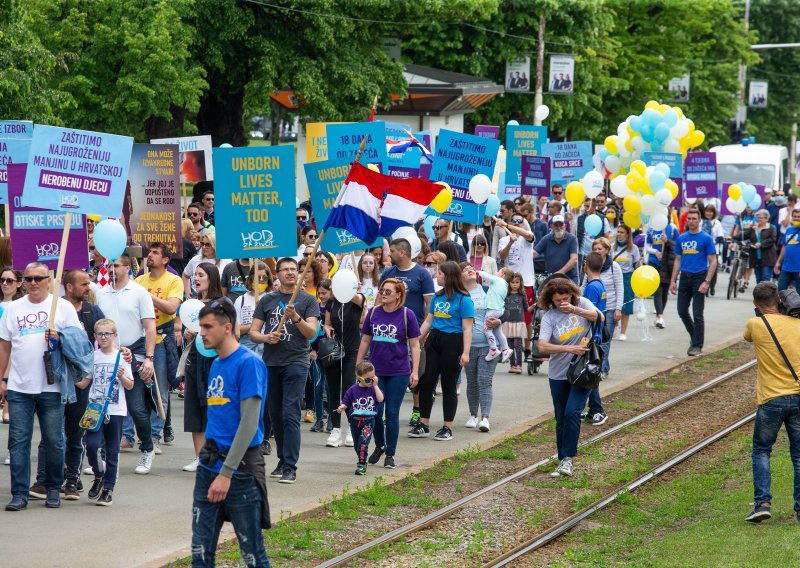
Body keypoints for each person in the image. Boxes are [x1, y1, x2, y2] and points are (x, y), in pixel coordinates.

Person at [190, 299, 270, 567]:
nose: (202, 332)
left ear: (227, 327)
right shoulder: (216, 364)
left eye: (207, 326)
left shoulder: (249, 363)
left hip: (240, 470)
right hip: (209, 465)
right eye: (200, 326)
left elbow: (249, 423)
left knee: (251, 551)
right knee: (200, 550)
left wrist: (226, 473)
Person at [1, 263, 83, 511]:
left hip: (52, 385)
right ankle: (19, 493)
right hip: (19, 386)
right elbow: (5, 346)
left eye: (38, 278)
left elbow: (80, 342)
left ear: (50, 280)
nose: (33, 282)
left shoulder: (63, 306)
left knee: (54, 441)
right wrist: (2, 380)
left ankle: (53, 487)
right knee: (18, 441)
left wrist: (60, 337)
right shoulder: (14, 308)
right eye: (28, 278)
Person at [35, 270, 105, 496]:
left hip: (80, 381)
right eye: (84, 283)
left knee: (76, 432)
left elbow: (103, 342)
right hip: (54, 380)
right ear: (69, 286)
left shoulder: (92, 312)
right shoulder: (52, 308)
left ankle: (72, 481)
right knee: (50, 433)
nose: (89, 287)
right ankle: (44, 480)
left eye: (89, 283)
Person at [250, 257, 320, 484]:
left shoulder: (308, 300)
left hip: (297, 362)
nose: (290, 273)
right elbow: (253, 332)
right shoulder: (267, 300)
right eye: (285, 269)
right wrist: (266, 338)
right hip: (271, 363)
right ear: (277, 274)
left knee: (290, 413)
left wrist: (296, 318)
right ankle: (281, 460)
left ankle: (291, 465)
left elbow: (311, 333)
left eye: (294, 269)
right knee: (276, 415)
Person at [743, 281, 800, 523]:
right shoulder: (797, 325)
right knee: (798, 455)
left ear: (756, 304)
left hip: (770, 399)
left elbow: (747, 338)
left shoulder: (755, 325)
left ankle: (762, 503)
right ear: (779, 300)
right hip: (797, 396)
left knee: (761, 450)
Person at [96, 254, 159, 474]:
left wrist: (149, 358)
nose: (112, 269)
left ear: (128, 268)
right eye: (109, 265)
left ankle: (147, 448)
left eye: (117, 265)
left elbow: (150, 327)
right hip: (106, 355)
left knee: (136, 408)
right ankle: (103, 453)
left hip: (135, 354)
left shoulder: (139, 292)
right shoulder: (101, 293)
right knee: (105, 406)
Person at [536, 277, 601, 478]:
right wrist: (567, 348)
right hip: (558, 373)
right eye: (558, 300)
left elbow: (599, 318)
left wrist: (575, 310)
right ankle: (563, 457)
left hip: (583, 371)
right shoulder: (549, 316)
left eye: (566, 298)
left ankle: (568, 459)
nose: (563, 302)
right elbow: (542, 346)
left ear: (572, 294)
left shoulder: (581, 303)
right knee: (561, 416)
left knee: (573, 411)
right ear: (551, 300)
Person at [358, 278, 420, 469]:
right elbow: (366, 340)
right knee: (375, 411)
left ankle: (390, 453)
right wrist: (359, 363)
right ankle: (380, 445)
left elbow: (415, 344)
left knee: (392, 413)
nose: (383, 294)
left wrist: (415, 371)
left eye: (388, 291)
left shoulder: (406, 315)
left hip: (399, 372)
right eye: (382, 291)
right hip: (376, 371)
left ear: (398, 294)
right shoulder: (373, 312)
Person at [410, 261, 474, 441]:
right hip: (434, 340)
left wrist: (466, 352)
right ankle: (424, 423)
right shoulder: (437, 297)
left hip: (453, 342)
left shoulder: (464, 299)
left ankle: (447, 427)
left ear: (448, 276)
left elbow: (467, 328)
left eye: (439, 274)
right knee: (426, 382)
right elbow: (428, 321)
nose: (436, 277)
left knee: (448, 385)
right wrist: (416, 339)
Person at [380, 238, 435, 426]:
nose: (389, 254)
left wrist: (423, 332)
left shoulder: (422, 274)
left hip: (414, 332)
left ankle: (417, 410)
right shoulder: (388, 273)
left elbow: (429, 304)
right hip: (389, 332)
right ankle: (388, 410)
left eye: (392, 251)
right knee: (387, 371)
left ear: (402, 252)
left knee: (416, 374)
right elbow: (381, 299)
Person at [135, 243, 184, 453]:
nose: (150, 256)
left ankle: (155, 436)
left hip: (162, 339)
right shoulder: (139, 281)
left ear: (165, 260)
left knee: (159, 390)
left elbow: (172, 307)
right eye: (149, 253)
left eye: (155, 253)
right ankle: (132, 435)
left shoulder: (173, 280)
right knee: (136, 391)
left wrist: (147, 296)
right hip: (139, 338)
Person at [84, 319, 135, 506]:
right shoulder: (93, 356)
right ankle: (99, 476)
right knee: (91, 445)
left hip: (115, 409)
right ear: (95, 336)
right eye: (100, 334)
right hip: (94, 408)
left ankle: (108, 488)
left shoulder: (122, 357)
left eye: (107, 334)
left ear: (115, 336)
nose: (103, 337)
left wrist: (121, 375)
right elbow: (84, 381)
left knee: (112, 450)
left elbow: (130, 385)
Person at [182, 264, 225, 472]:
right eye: (195, 275)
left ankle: (213, 455)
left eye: (201, 275)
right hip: (195, 360)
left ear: (212, 278)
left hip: (214, 361)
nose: (196, 279)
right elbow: (187, 331)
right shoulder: (192, 304)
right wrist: (188, 334)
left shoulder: (222, 304)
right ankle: (199, 457)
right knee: (194, 410)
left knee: (213, 409)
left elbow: (228, 334)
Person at [669, 209, 718, 356]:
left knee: (697, 313)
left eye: (694, 219)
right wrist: (673, 280)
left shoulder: (706, 238)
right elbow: (677, 260)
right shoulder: (682, 238)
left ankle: (697, 345)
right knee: (682, 311)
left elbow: (713, 261)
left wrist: (707, 282)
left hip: (699, 277)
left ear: (699, 220)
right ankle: (694, 335)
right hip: (685, 277)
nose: (691, 221)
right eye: (689, 219)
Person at [322, 280, 365, 448]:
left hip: (352, 350)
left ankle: (351, 429)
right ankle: (336, 429)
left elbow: (360, 300)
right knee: (332, 390)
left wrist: (353, 287)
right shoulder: (331, 302)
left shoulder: (356, 299)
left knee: (348, 389)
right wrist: (327, 329)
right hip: (334, 350)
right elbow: (327, 323)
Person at [461, 263, 502, 432]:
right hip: (468, 346)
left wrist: (500, 321)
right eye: (464, 269)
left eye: (471, 268)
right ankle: (473, 415)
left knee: (484, 381)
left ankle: (485, 417)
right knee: (471, 382)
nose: (470, 270)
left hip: (489, 345)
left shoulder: (487, 291)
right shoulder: (459, 294)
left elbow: (501, 310)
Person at [336, 361, 384, 475]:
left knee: (363, 444)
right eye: (368, 379)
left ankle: (362, 464)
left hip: (368, 421)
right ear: (359, 377)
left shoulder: (373, 389)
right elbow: (346, 401)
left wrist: (376, 385)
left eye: (373, 378)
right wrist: (342, 406)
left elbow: (381, 399)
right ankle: (362, 459)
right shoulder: (353, 389)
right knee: (358, 445)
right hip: (355, 421)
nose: (371, 382)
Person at [580, 253, 609, 427]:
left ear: (585, 265)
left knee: (589, 375)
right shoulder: (600, 285)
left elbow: (591, 313)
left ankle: (598, 410)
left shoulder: (591, 288)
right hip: (596, 334)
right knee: (590, 373)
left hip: (591, 335)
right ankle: (592, 410)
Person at [646, 214, 679, 328]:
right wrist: (655, 251)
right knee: (657, 289)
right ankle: (660, 316)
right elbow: (647, 246)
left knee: (664, 290)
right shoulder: (651, 229)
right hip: (654, 262)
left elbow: (678, 245)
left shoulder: (673, 229)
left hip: (667, 263)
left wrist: (668, 241)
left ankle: (660, 314)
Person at [610, 225, 640, 340]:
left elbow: (636, 265)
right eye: (618, 232)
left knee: (626, 306)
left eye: (622, 232)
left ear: (627, 234)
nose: (619, 234)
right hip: (615, 277)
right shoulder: (612, 247)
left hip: (628, 278)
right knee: (614, 304)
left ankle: (623, 332)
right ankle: (614, 327)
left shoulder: (634, 248)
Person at [477, 268, 513, 362]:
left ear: (503, 273)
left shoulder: (498, 280)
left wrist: (478, 272)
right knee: (498, 331)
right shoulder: (505, 285)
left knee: (487, 329)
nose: (496, 273)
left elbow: (486, 276)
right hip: (499, 310)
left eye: (498, 271)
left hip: (492, 309)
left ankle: (493, 349)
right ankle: (506, 349)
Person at [533, 215, 579, 283]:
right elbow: (534, 253)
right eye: (556, 225)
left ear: (565, 226)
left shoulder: (572, 238)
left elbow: (574, 259)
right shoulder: (546, 239)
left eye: (561, 225)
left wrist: (560, 273)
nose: (559, 227)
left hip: (570, 279)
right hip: (552, 280)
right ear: (551, 226)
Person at [183, 233, 230, 298]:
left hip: (217, 297)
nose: (204, 247)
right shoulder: (195, 259)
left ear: (215, 245)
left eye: (208, 244)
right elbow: (185, 275)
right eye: (202, 244)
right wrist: (188, 292)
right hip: (196, 296)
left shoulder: (226, 262)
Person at [502, 272, 528, 374]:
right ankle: (512, 365)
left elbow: (527, 308)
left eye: (517, 282)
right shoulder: (506, 295)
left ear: (520, 283)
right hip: (508, 322)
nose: (515, 284)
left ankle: (519, 365)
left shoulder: (522, 295)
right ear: (509, 283)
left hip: (519, 322)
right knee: (510, 345)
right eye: (512, 282)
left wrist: (535, 305)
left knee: (518, 344)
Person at [745, 209, 777, 285]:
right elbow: (745, 235)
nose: (758, 219)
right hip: (756, 258)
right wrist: (732, 237)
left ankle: (766, 296)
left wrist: (761, 244)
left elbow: (772, 239)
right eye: (758, 217)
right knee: (758, 279)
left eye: (761, 218)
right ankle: (760, 296)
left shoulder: (771, 228)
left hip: (768, 258)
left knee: (765, 278)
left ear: (766, 219)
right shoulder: (753, 228)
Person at [701, 204, 725, 295]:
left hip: (713, 249)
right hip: (703, 249)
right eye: (707, 211)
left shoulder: (717, 223)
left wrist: (714, 241)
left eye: (710, 211)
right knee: (704, 268)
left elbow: (720, 237)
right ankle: (704, 285)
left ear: (713, 213)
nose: (708, 213)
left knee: (713, 269)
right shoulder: (701, 222)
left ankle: (712, 287)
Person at [774, 208, 800, 291]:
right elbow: (784, 247)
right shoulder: (789, 230)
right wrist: (778, 262)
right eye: (795, 216)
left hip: (798, 268)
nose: (797, 218)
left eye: (799, 217)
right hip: (786, 267)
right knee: (781, 290)